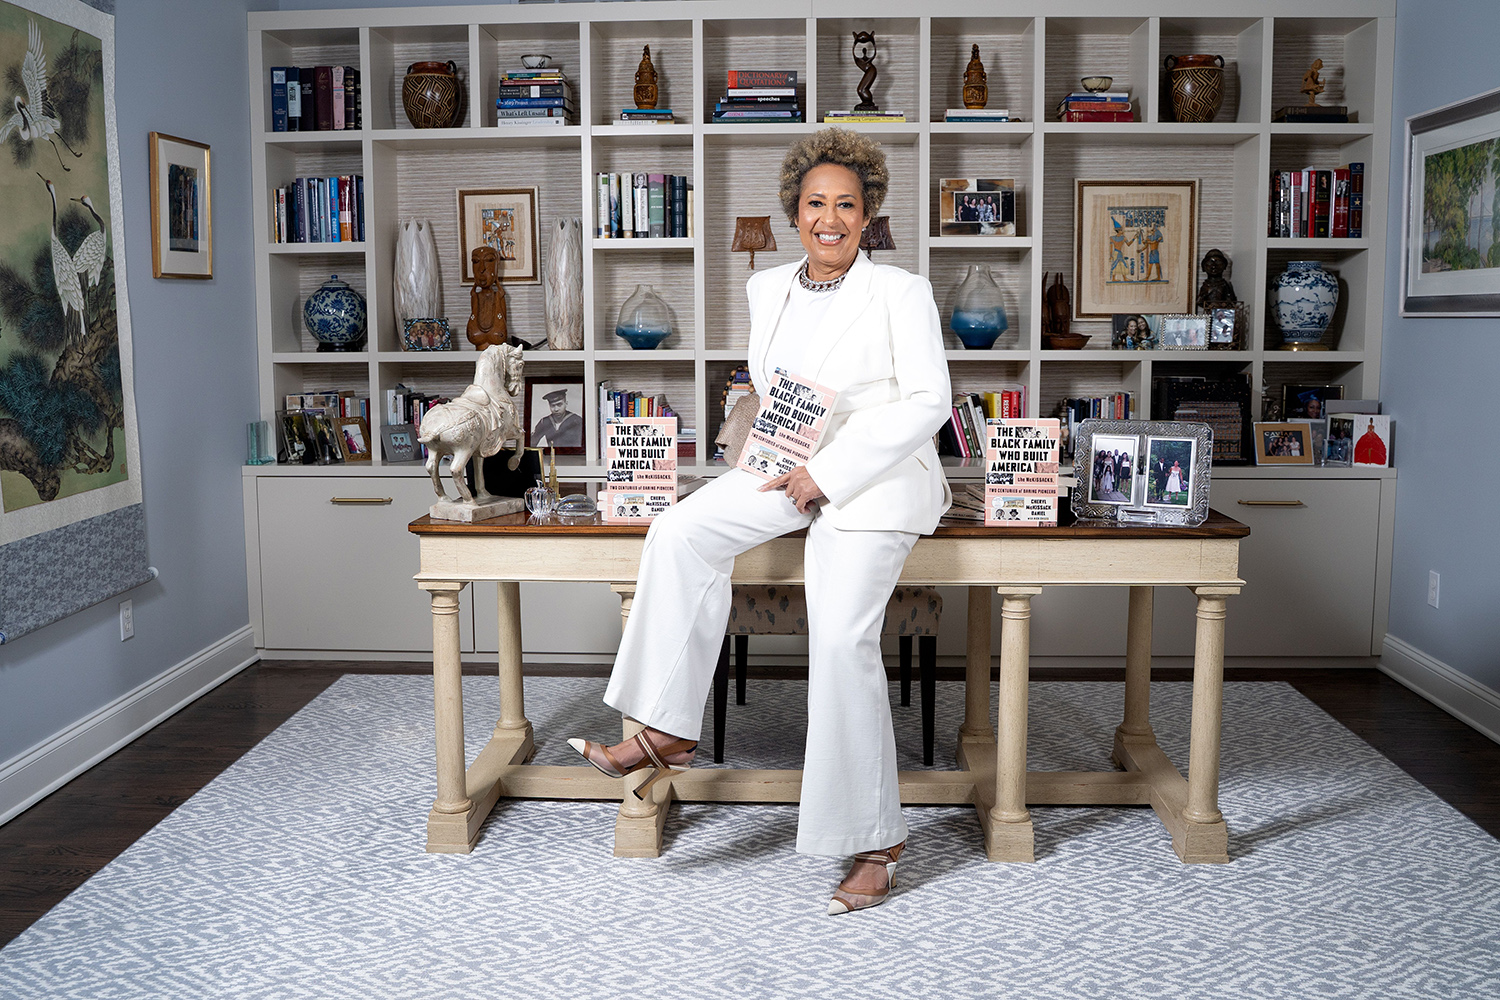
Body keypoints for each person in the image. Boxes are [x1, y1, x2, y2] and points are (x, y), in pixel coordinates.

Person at [568, 128, 952, 915]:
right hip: (788, 456)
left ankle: (877, 839)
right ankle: (667, 729)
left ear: (869, 211)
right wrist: (772, 462)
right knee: (677, 531)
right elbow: (779, 391)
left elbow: (929, 402)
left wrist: (829, 473)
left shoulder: (901, 291)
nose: (832, 218)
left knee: (842, 634)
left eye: (848, 203)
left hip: (875, 476)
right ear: (794, 212)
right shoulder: (767, 287)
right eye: (817, 204)